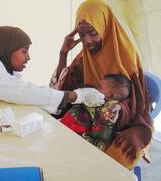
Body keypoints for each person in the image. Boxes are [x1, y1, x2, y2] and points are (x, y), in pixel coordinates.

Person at [50, 0, 153, 170]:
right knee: (62, 142)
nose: (88, 41)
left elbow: (139, 104)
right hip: (88, 115)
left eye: (92, 33)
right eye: (82, 35)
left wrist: (118, 108)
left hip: (123, 122)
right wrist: (63, 54)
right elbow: (61, 90)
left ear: (105, 25)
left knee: (110, 159)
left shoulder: (126, 57)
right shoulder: (84, 57)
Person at [61, 74, 131, 151]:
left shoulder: (108, 112)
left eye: (99, 87)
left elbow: (99, 138)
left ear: (110, 96)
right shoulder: (93, 98)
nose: (96, 89)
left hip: (78, 141)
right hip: (64, 130)